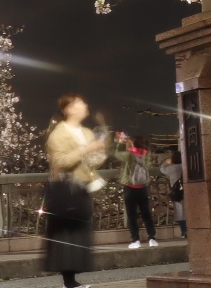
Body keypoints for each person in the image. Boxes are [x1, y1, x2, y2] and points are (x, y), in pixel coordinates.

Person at [43, 95, 106, 288]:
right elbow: (61, 162)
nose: (85, 106)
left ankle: (72, 281)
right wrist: (87, 149)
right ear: (68, 109)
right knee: (66, 236)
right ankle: (68, 282)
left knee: (80, 234)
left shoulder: (86, 131)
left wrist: (99, 150)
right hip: (66, 190)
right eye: (79, 103)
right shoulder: (58, 134)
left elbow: (94, 160)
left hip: (82, 188)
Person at [112, 134, 156, 248]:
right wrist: (131, 145)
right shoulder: (147, 154)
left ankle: (135, 240)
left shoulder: (129, 154)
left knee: (132, 216)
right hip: (143, 188)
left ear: (134, 143)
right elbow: (148, 165)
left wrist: (120, 143)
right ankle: (152, 238)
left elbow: (116, 155)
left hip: (130, 188)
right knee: (146, 214)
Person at [159, 151, 185, 238]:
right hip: (187, 192)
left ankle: (184, 232)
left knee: (180, 212)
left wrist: (166, 162)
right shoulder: (185, 166)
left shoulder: (171, 169)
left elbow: (162, 169)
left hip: (177, 193)